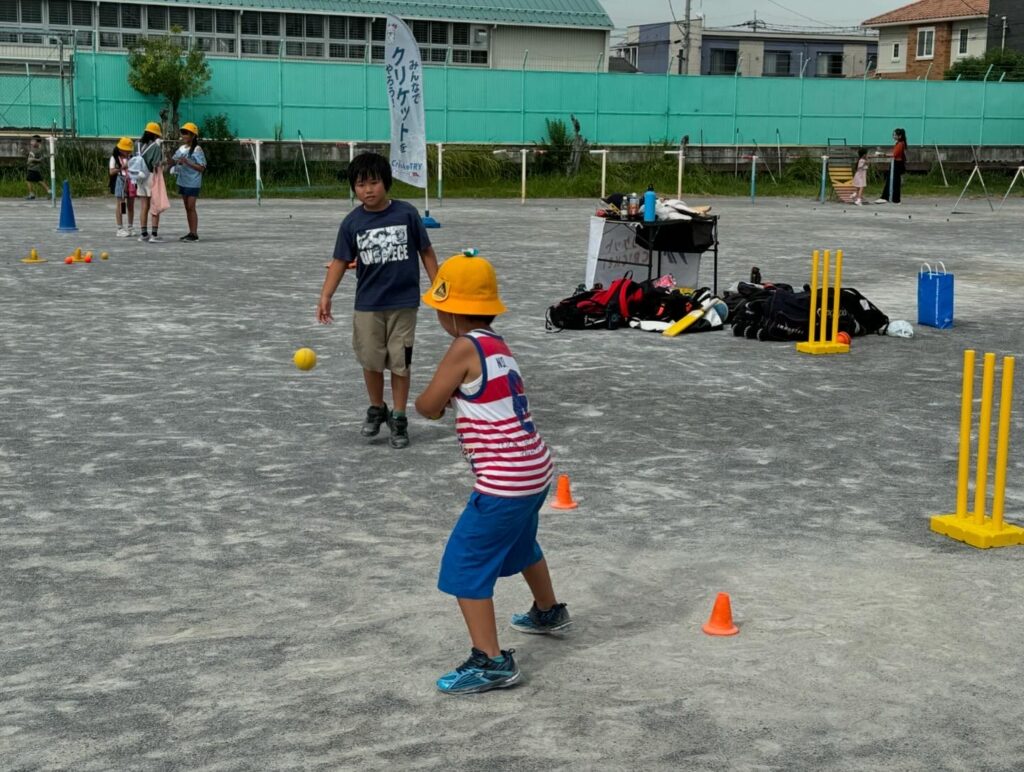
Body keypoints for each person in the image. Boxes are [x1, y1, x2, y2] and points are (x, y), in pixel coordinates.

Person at [414, 252, 570, 695]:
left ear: (450, 310)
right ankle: (548, 610)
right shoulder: (496, 344)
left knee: (465, 566)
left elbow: (427, 406)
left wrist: (438, 400)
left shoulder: (463, 346)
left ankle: (491, 662)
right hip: (534, 470)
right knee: (521, 542)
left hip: (504, 480)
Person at [316, 152, 439, 449]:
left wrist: (439, 286)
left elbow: (426, 252)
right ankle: (376, 407)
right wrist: (326, 295)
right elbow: (339, 261)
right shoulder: (351, 223)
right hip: (368, 306)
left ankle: (398, 416)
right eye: (360, 185)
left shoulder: (407, 214)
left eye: (374, 182)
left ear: (386, 182)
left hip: (404, 304)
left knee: (401, 363)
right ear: (353, 188)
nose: (368, 190)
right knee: (371, 361)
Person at [168, 122, 206, 242]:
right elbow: (172, 161)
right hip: (183, 181)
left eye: (186, 133)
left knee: (191, 207)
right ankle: (191, 232)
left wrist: (187, 162)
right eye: (182, 133)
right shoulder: (181, 148)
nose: (183, 135)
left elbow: (201, 168)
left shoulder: (197, 149)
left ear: (193, 135)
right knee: (187, 208)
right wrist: (168, 157)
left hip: (193, 182)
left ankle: (194, 234)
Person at [134, 121, 165, 242]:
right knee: (155, 205)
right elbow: (156, 165)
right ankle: (154, 235)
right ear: (154, 135)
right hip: (152, 177)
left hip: (139, 178)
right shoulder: (156, 147)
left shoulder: (136, 144)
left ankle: (143, 234)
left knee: (143, 206)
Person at [109, 137, 136, 237]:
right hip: (120, 181)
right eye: (126, 150)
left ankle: (130, 226)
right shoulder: (114, 158)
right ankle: (120, 228)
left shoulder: (131, 157)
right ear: (121, 149)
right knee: (121, 205)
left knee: (131, 205)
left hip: (131, 181)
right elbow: (111, 172)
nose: (128, 151)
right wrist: (121, 167)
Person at [874, 128, 908, 205]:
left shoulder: (900, 144)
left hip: (896, 164)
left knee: (894, 181)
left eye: (895, 135)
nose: (893, 136)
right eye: (893, 134)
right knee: (891, 180)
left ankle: (894, 199)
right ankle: (886, 197)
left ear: (900, 136)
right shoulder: (899, 143)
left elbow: (895, 155)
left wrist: (883, 154)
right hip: (895, 163)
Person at [24, 135, 50, 200]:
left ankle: (31, 194)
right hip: (32, 168)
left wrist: (33, 160)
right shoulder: (34, 149)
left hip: (33, 168)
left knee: (28, 180)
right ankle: (49, 191)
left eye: (33, 141)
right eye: (31, 141)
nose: (31, 142)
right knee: (40, 181)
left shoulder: (39, 150)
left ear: (38, 143)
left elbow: (41, 159)